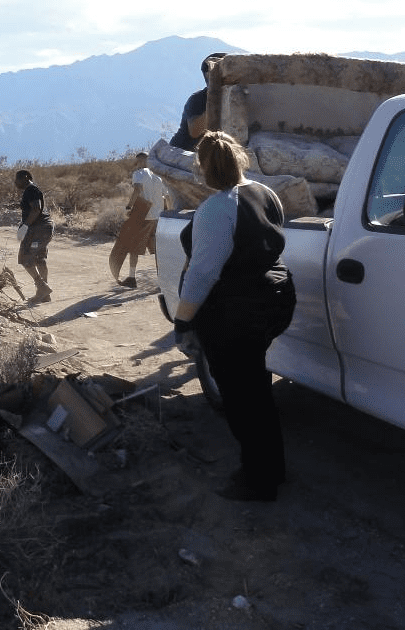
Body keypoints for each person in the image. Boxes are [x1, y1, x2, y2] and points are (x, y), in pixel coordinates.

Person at [172, 132, 296, 502]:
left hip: (234, 314)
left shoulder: (217, 208)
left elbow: (202, 274)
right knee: (256, 389)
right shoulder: (265, 193)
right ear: (240, 158)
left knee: (241, 400)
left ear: (203, 169)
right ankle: (273, 468)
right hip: (273, 299)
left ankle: (259, 482)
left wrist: (183, 322)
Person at [110, 151, 169, 288]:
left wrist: (129, 206)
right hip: (157, 217)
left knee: (134, 247)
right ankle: (162, 280)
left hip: (143, 216)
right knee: (157, 250)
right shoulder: (158, 176)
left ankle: (132, 278)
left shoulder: (139, 173)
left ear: (140, 161)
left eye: (137, 161)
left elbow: (137, 189)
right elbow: (166, 197)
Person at [169, 52, 229, 151]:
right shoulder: (198, 99)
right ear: (209, 75)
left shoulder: (237, 97)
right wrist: (216, 99)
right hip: (182, 152)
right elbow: (194, 132)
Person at [13, 169, 54, 303]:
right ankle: (44, 294)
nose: (15, 182)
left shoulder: (30, 190)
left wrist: (25, 226)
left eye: (17, 179)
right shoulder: (33, 189)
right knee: (39, 258)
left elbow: (36, 209)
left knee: (25, 258)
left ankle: (42, 287)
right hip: (44, 229)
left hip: (38, 230)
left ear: (25, 177)